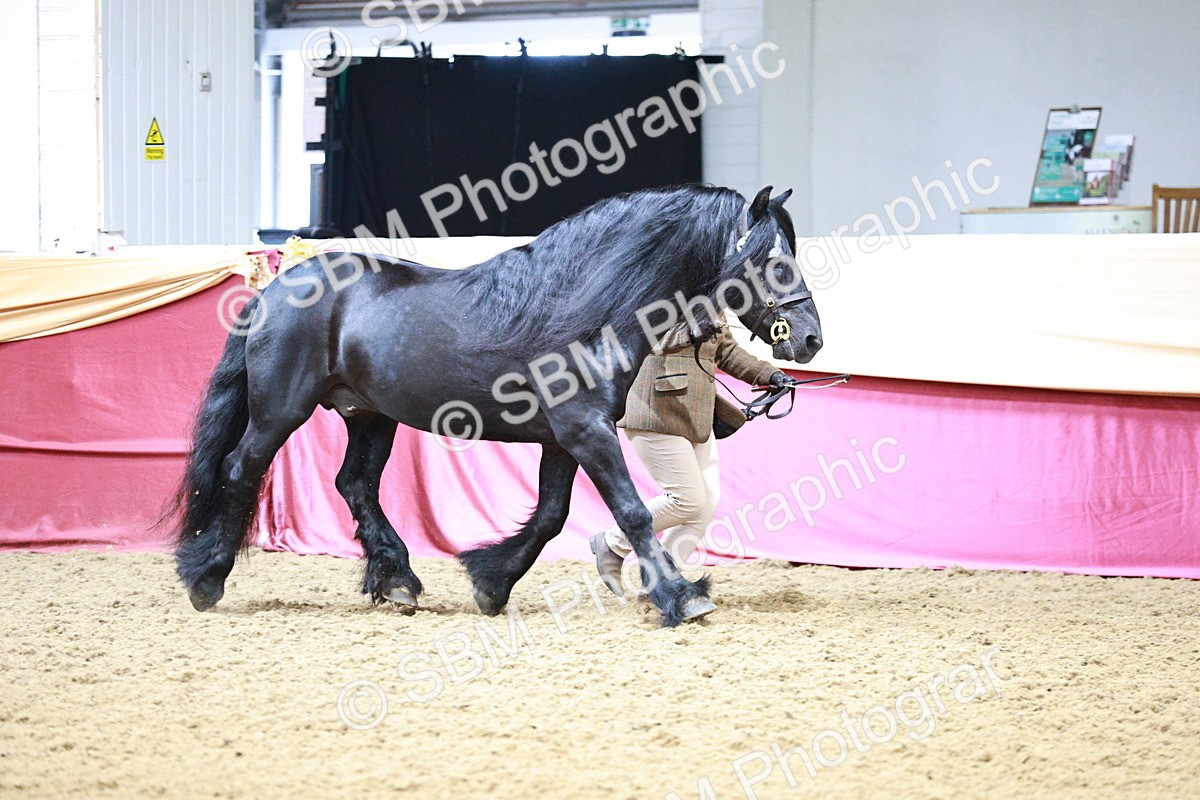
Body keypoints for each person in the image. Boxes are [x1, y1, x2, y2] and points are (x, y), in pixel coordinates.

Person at [590, 316, 789, 601]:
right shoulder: (661, 285)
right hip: (655, 409)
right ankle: (613, 542)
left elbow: (726, 350)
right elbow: (645, 336)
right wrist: (693, 329)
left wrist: (769, 374)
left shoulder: (713, 297)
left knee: (705, 505)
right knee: (687, 500)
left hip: (697, 413)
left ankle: (660, 585)